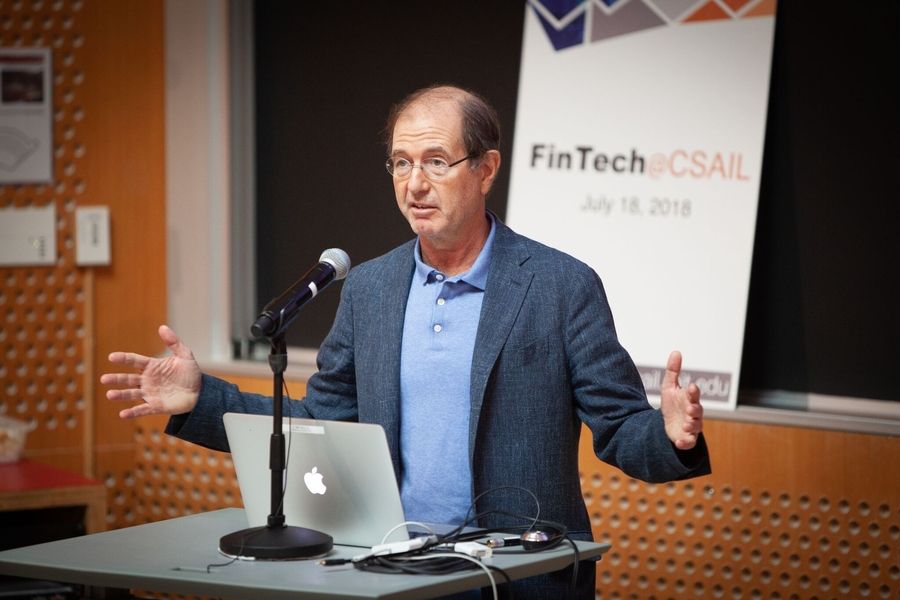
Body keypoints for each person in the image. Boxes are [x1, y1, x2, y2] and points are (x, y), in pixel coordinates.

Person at [102, 84, 709, 599]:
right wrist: (200, 398)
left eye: (437, 161)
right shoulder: (370, 288)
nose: (415, 183)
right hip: (393, 571)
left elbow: (620, 426)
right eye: (400, 163)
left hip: (520, 575)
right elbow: (320, 422)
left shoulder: (559, 285)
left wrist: (669, 433)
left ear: (486, 169)